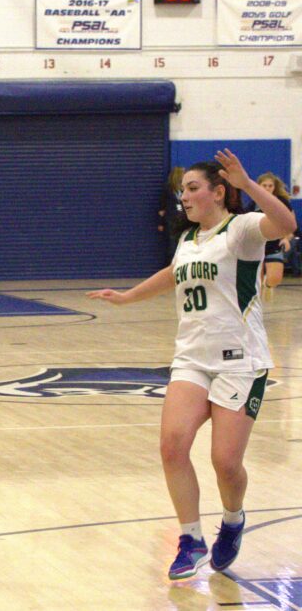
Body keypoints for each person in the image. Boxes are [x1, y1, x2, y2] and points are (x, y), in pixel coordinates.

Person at [88, 149, 297, 581]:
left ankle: (234, 519)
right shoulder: (187, 240)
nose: (184, 196)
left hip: (241, 361)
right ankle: (190, 539)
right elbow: (173, 273)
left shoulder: (240, 230)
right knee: (172, 446)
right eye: (182, 190)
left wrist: (248, 184)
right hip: (191, 358)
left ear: (219, 192)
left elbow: (286, 225)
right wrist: (127, 296)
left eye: (193, 188)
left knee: (225, 463)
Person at [243, 172, 295, 301]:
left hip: (274, 244)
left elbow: (290, 224)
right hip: (257, 245)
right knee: (256, 281)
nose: (267, 188)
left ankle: (268, 286)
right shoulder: (252, 204)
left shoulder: (282, 202)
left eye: (270, 186)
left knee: (275, 278)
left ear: (274, 187)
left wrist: (286, 238)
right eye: (264, 185)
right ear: (259, 186)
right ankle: (256, 306)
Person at [159, 166, 185, 263]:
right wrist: (160, 223)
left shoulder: (183, 190)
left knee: (181, 243)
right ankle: (170, 265)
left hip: (181, 219)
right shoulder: (168, 190)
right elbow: (162, 209)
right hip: (171, 219)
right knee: (171, 246)